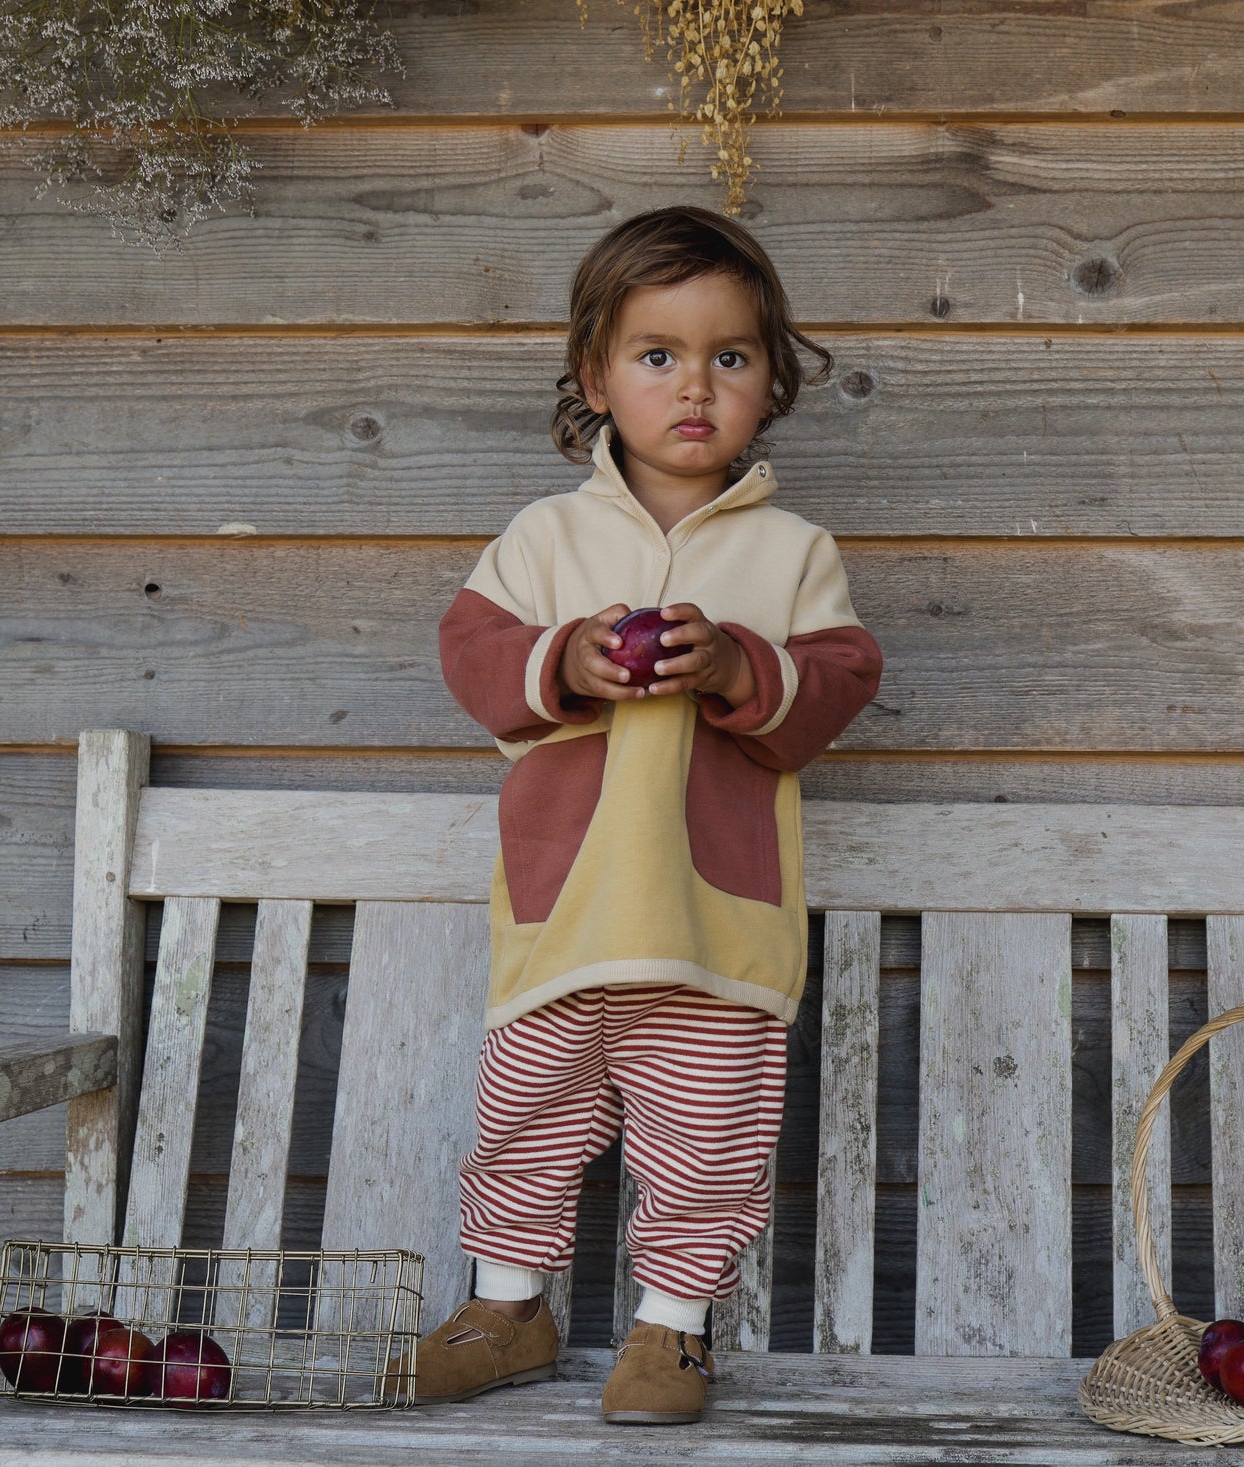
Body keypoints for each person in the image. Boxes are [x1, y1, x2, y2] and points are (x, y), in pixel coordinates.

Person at [393, 205, 882, 1425]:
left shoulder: (789, 550)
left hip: (715, 929)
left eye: (731, 356)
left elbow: (835, 686)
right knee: (526, 1114)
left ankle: (670, 1332)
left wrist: (733, 670)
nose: (695, 386)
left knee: (708, 1135)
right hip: (564, 911)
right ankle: (507, 1308)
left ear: (772, 382)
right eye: (657, 355)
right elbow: (471, 655)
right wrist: (565, 660)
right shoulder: (546, 538)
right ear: (595, 378)